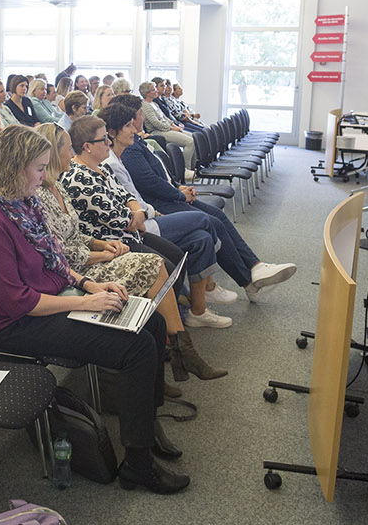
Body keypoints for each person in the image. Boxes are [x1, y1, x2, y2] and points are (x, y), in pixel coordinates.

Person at [0, 126, 188, 494]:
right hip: (14, 325)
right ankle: (139, 463)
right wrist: (86, 302)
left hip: (48, 303)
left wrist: (88, 284)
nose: (44, 177)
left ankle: (145, 423)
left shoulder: (22, 203)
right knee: (138, 346)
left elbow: (56, 261)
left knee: (152, 324)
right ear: (14, 168)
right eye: (38, 169)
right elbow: (17, 302)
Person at [34, 124, 217, 390]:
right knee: (158, 265)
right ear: (53, 153)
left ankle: (174, 350)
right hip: (74, 269)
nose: (71, 154)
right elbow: (62, 252)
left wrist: (101, 244)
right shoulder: (53, 188)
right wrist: (101, 251)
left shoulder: (58, 187)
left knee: (171, 261)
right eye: (67, 148)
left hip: (96, 248)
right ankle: (177, 351)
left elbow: (83, 228)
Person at [109, 97, 294, 302]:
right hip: (161, 205)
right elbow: (149, 183)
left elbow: (160, 175)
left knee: (217, 216)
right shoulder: (129, 150)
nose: (143, 117)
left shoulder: (137, 143)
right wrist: (179, 193)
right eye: (139, 115)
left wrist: (179, 187)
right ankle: (248, 278)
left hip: (168, 197)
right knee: (210, 222)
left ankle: (255, 266)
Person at [63, 115, 231, 330]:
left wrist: (137, 211)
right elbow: (120, 219)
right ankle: (169, 325)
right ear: (87, 146)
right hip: (113, 241)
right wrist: (137, 213)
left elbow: (127, 197)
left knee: (186, 250)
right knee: (185, 244)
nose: (109, 143)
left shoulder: (102, 167)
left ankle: (184, 312)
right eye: (104, 140)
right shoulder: (79, 177)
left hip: (131, 232)